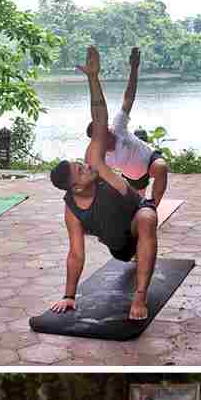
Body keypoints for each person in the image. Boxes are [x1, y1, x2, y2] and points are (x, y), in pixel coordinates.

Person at [49, 46, 158, 322]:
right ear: (75, 188)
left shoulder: (96, 164)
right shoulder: (72, 210)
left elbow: (100, 121)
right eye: (80, 171)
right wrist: (69, 295)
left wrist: (93, 79)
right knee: (125, 250)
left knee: (147, 217)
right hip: (119, 247)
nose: (86, 166)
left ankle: (140, 295)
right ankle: (134, 257)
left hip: (137, 220)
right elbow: (76, 253)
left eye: (81, 163)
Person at [82, 48, 170, 210]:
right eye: (103, 131)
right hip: (133, 177)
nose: (108, 129)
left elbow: (128, 97)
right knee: (135, 209)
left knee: (161, 167)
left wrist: (134, 68)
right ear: (97, 138)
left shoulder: (118, 126)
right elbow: (93, 177)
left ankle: (154, 206)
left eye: (106, 127)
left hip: (149, 159)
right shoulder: (102, 156)